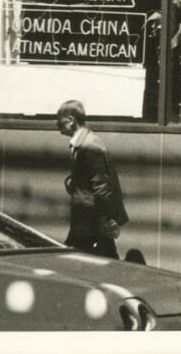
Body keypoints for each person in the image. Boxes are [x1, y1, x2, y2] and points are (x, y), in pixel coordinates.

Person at [57, 100, 129, 259]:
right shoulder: (84, 142)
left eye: (58, 120)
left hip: (90, 220)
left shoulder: (89, 146)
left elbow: (101, 185)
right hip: (89, 219)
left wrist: (104, 219)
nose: (56, 124)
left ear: (71, 120)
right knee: (105, 256)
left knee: (72, 257)